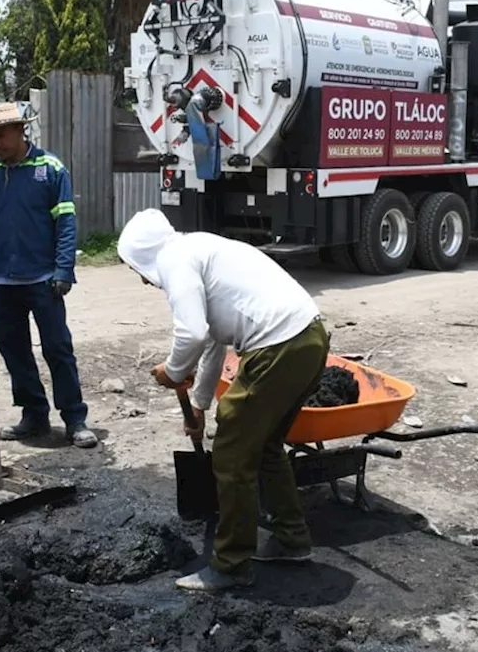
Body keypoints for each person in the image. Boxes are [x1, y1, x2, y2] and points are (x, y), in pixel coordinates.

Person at [117, 209, 329, 592]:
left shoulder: (174, 260)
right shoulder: (202, 247)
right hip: (309, 339)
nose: (144, 281)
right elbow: (215, 338)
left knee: (231, 451)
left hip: (278, 346)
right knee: (264, 446)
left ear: (143, 258)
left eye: (136, 271)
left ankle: (231, 565)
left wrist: (172, 370)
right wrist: (198, 405)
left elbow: (193, 332)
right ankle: (292, 539)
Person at [0, 103, 97, 448]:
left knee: (58, 349)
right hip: (2, 283)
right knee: (14, 351)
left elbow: (66, 223)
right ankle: (34, 416)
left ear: (20, 131)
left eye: (0, 134)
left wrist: (64, 269)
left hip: (43, 280)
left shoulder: (50, 169)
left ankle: (75, 419)